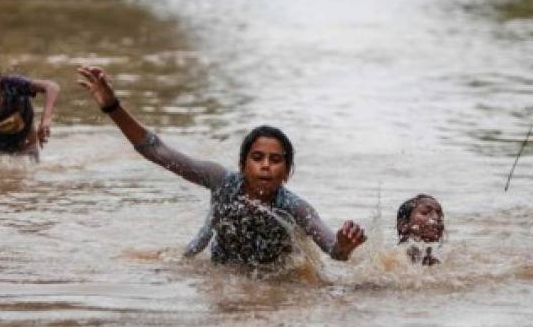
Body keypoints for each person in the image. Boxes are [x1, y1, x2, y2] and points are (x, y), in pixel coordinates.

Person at [76, 66, 367, 267]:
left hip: (272, 280)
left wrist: (344, 244)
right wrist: (112, 107)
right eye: (257, 158)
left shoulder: (295, 208)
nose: (265, 166)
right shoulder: (222, 181)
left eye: (275, 160)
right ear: (242, 165)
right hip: (212, 267)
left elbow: (333, 251)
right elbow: (156, 151)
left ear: (287, 173)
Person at [396, 194, 444, 266]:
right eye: (425, 213)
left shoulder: (442, 257)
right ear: (404, 225)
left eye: (440, 215)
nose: (436, 218)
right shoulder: (396, 257)